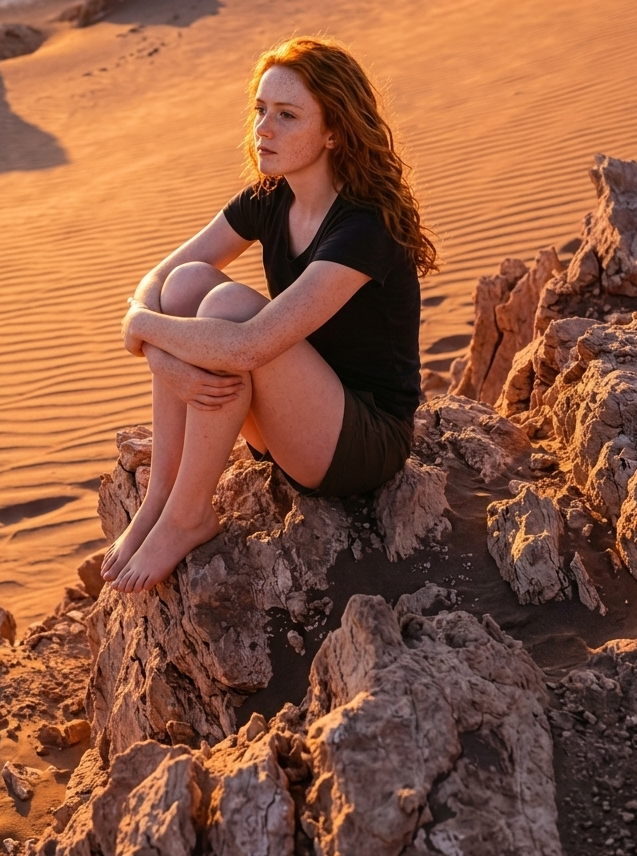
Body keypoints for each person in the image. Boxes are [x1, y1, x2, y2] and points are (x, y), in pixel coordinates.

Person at [102, 36, 437, 594]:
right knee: (188, 285)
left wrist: (141, 332)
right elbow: (159, 280)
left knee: (229, 308)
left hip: (355, 442)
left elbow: (247, 349)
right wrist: (166, 355)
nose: (264, 128)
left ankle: (189, 517)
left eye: (286, 115)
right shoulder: (269, 196)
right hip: (289, 413)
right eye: (260, 110)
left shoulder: (363, 228)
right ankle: (161, 493)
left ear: (334, 131)